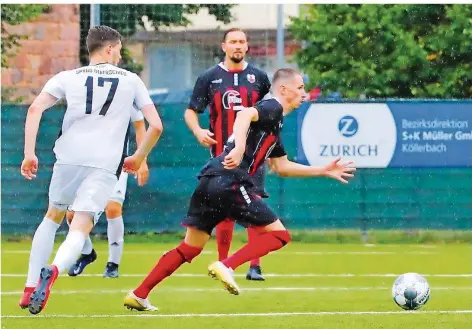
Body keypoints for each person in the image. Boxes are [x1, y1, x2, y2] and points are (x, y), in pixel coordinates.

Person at [123, 68, 355, 311]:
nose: (304, 93)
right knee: (279, 235)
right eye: (300, 88)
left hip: (210, 179)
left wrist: (323, 170)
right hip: (230, 180)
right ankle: (227, 265)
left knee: (190, 247)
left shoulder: (273, 123)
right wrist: (239, 147)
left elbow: (282, 166)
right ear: (284, 90)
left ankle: (139, 294)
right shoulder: (272, 106)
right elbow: (244, 114)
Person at [19, 25, 163, 315]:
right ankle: (55, 269)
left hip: (68, 157)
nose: (120, 56)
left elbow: (34, 109)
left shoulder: (68, 77)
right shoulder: (131, 80)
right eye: (119, 50)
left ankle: (30, 287)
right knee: (81, 225)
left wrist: (29, 153)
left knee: (52, 217)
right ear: (109, 49)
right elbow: (156, 125)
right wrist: (138, 156)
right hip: (104, 163)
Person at [184, 28, 271, 281]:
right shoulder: (209, 77)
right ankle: (224, 264)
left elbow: (271, 115)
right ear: (223, 46)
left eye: (241, 42)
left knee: (255, 208)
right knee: (225, 211)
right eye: (233, 41)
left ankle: (255, 266)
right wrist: (198, 130)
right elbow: (191, 111)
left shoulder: (259, 78)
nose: (237, 46)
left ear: (247, 46)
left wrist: (273, 152)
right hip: (222, 157)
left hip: (253, 157)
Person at [66, 108, 149, 279]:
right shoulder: (87, 98)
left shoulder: (125, 97)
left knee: (112, 208)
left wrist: (142, 160)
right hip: (87, 165)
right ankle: (87, 253)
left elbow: (140, 127)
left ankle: (113, 264)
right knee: (71, 215)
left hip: (116, 164)